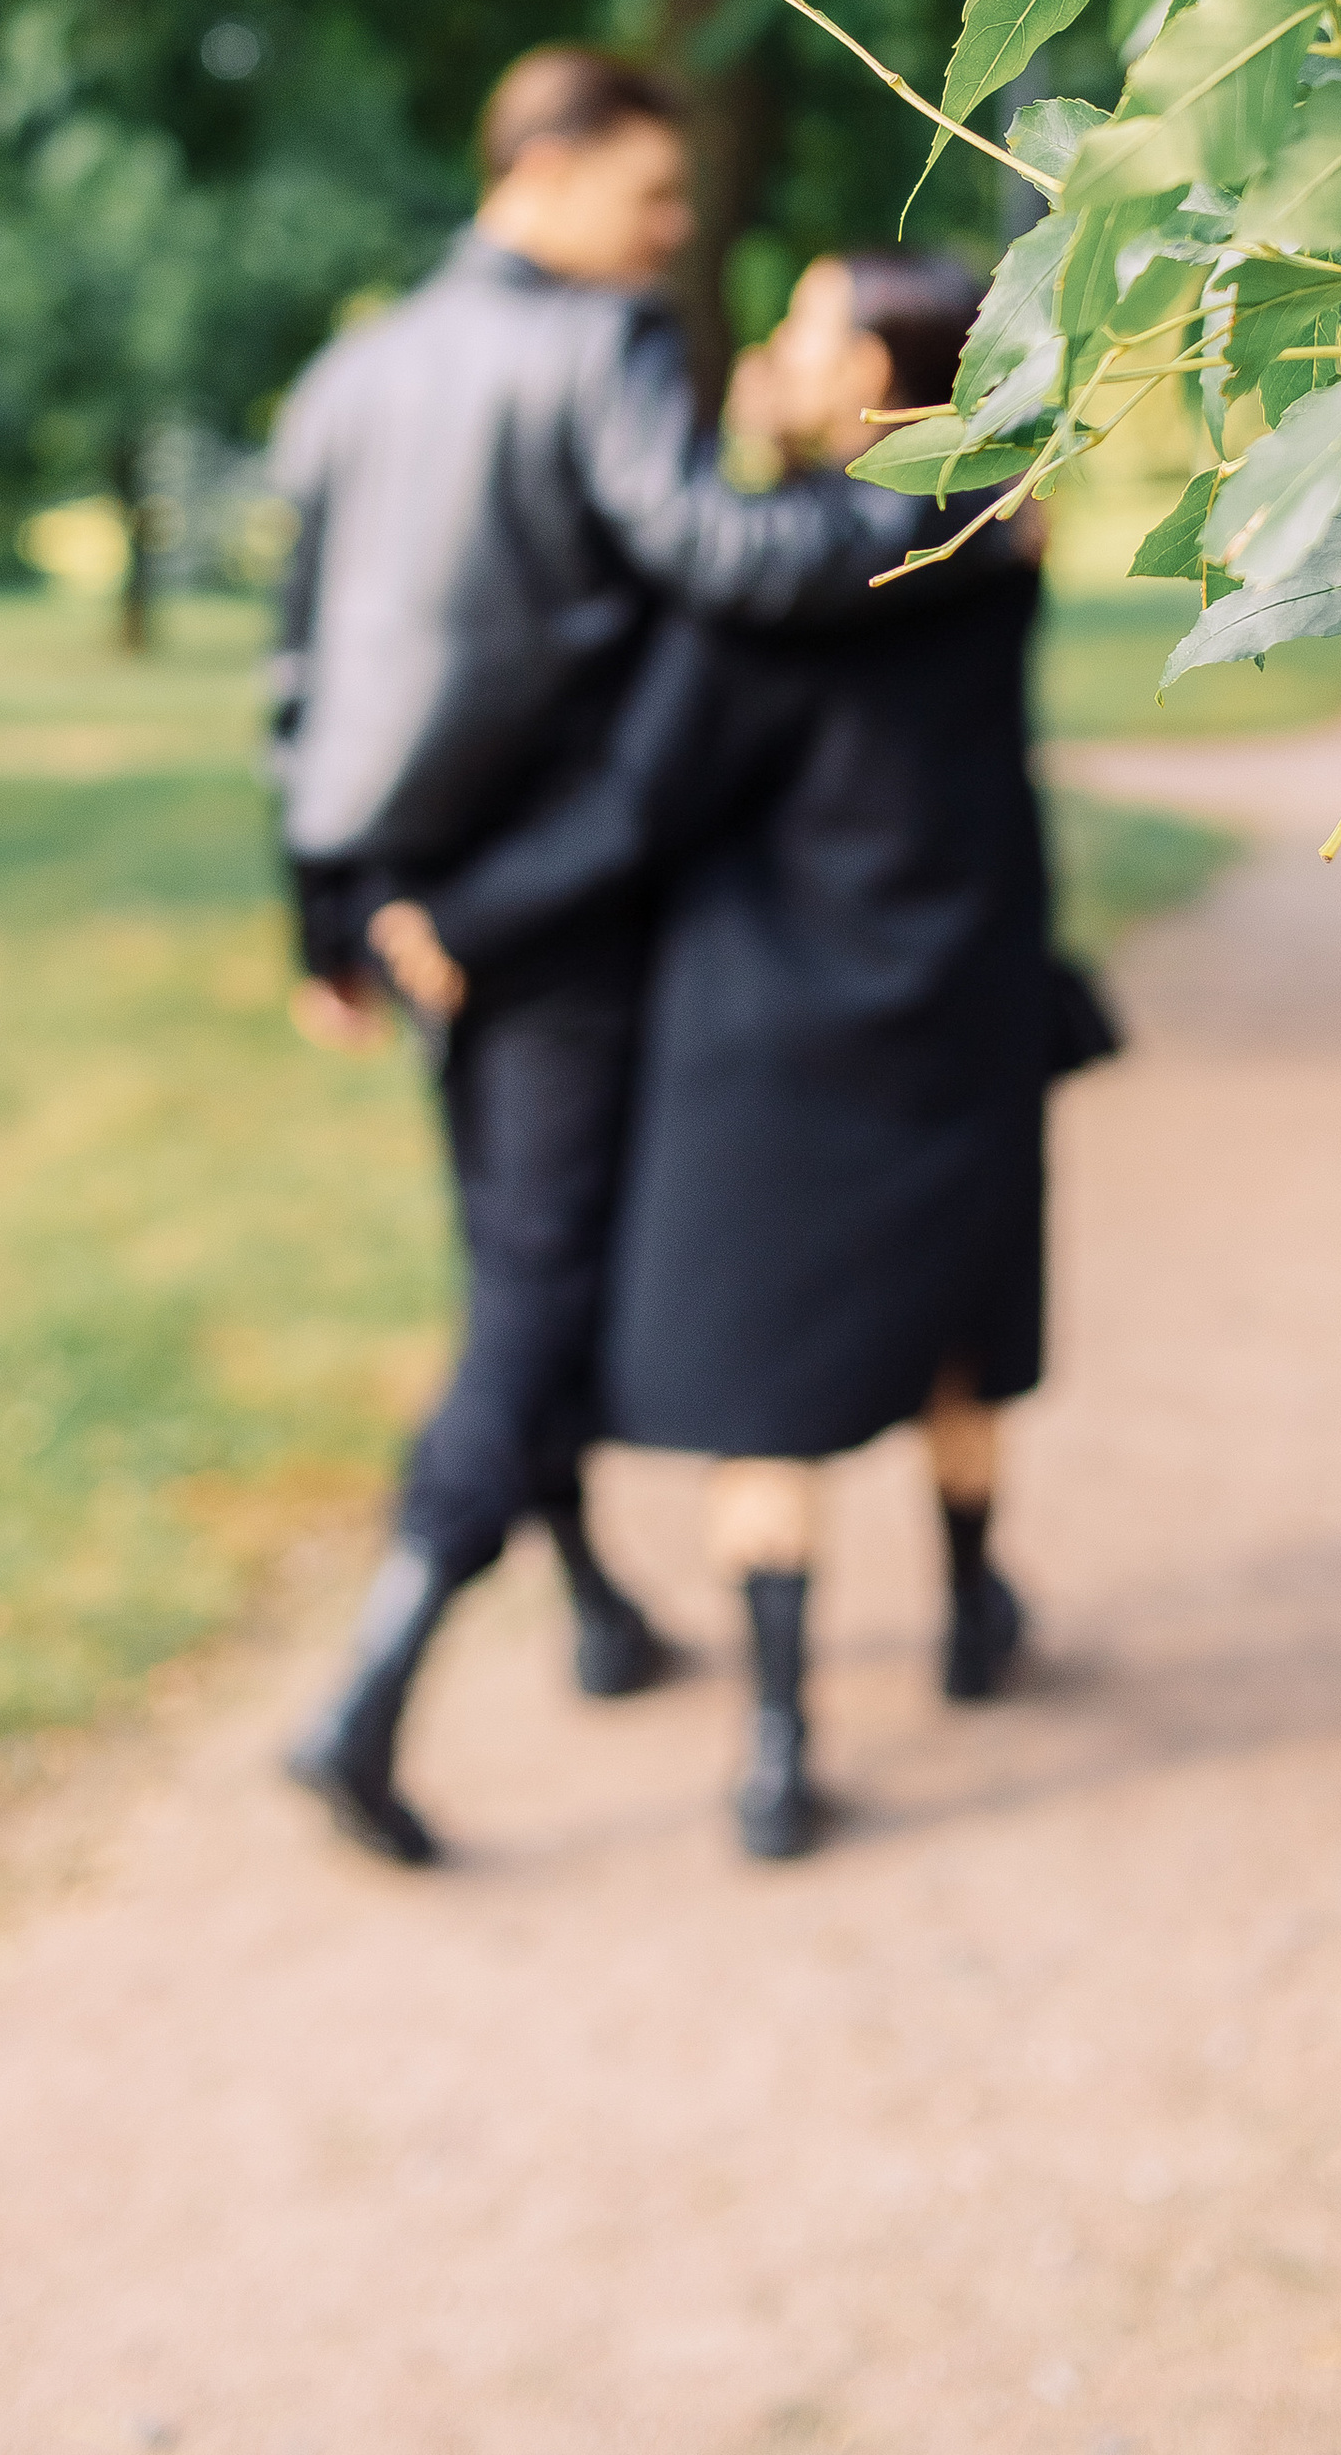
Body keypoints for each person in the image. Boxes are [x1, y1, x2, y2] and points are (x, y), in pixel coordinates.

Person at [373, 248, 1105, 1863]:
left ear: (886, 378)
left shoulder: (771, 590)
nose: (772, 340)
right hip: (963, 1005)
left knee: (774, 1396)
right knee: (958, 1337)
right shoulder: (1002, 539)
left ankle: (777, 1753)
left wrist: (467, 918)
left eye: (809, 324)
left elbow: (638, 807)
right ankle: (976, 1613)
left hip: (773, 1036)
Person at [266, 49, 915, 1867]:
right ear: (544, 169)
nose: (671, 235)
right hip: (555, 900)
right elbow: (711, 547)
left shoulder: (358, 368)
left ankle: (598, 1612)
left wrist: (325, 915)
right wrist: (915, 514)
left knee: (506, 1248)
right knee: (538, 1288)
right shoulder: (599, 345)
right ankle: (367, 1696)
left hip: (403, 894)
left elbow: (299, 673)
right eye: (650, 198)